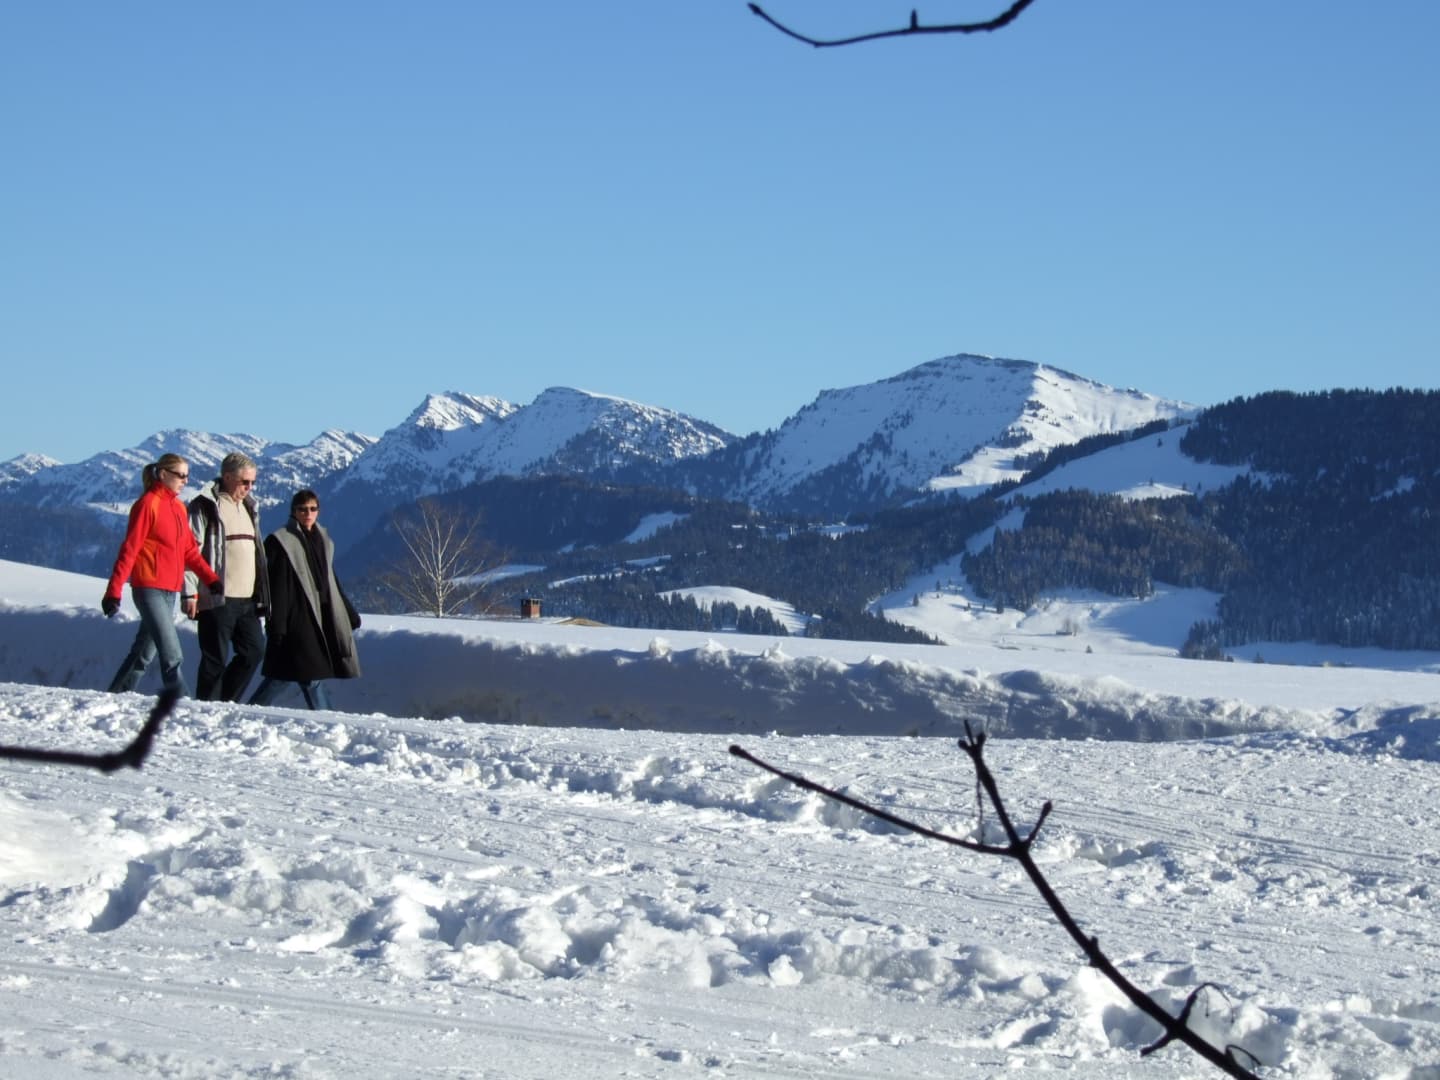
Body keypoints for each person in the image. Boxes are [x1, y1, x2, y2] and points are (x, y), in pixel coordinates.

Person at [103, 453, 222, 696]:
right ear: (163, 474)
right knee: (172, 654)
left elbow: (189, 551)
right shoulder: (148, 504)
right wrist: (113, 591)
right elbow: (130, 549)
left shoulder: (178, 507)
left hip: (170, 590)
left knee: (143, 653)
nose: (185, 480)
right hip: (148, 588)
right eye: (181, 475)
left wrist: (211, 579)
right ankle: (182, 702)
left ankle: (115, 696)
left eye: (187, 476)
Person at [249, 489, 361, 710]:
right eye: (302, 509)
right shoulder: (280, 541)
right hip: (296, 615)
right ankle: (327, 717)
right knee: (308, 671)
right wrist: (278, 625)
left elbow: (331, 580)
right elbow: (278, 587)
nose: (308, 514)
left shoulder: (323, 539)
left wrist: (348, 612)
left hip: (320, 614)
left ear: (318, 511)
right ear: (293, 511)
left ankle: (251, 709)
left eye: (312, 509)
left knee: (289, 672)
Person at [184, 452, 269, 701]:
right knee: (214, 660)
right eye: (245, 482)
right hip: (217, 597)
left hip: (247, 599)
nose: (249, 487)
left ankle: (225, 702)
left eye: (253, 482)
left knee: (254, 652)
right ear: (228, 477)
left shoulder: (249, 507)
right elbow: (190, 552)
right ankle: (206, 707)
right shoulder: (206, 506)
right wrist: (189, 592)